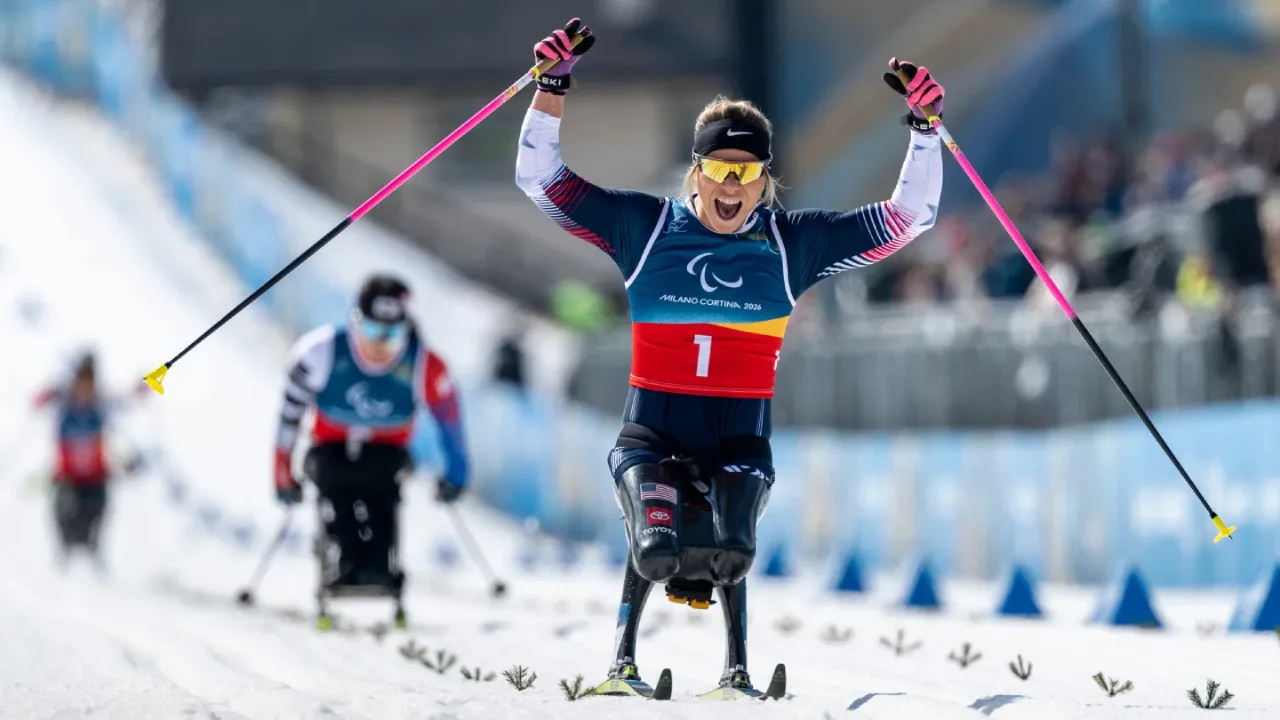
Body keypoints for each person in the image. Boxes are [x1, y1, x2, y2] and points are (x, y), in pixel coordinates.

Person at [516, 19, 944, 697]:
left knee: (730, 552)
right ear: (698, 169)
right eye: (719, 169)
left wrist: (925, 128)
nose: (731, 186)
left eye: (746, 173)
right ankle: (621, 664)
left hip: (739, 437)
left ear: (764, 179)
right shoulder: (646, 228)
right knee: (657, 550)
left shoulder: (790, 245)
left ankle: (735, 670)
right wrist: (552, 88)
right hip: (651, 434)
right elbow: (540, 179)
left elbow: (909, 217)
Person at [273, 274, 470, 628]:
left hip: (387, 451)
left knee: (382, 490)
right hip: (330, 449)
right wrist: (282, 470)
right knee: (336, 483)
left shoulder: (423, 364)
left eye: (391, 333)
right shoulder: (319, 352)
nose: (380, 343)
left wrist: (456, 472)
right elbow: (289, 416)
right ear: (354, 321)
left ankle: (378, 566)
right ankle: (347, 561)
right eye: (372, 330)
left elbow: (450, 422)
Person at [31, 351, 147, 570]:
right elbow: (37, 400)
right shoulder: (63, 403)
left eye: (89, 383)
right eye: (81, 382)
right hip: (68, 478)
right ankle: (64, 555)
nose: (85, 389)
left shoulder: (101, 404)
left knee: (97, 513)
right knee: (63, 514)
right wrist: (45, 396)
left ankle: (93, 551)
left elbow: (126, 399)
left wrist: (142, 387)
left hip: (95, 478)